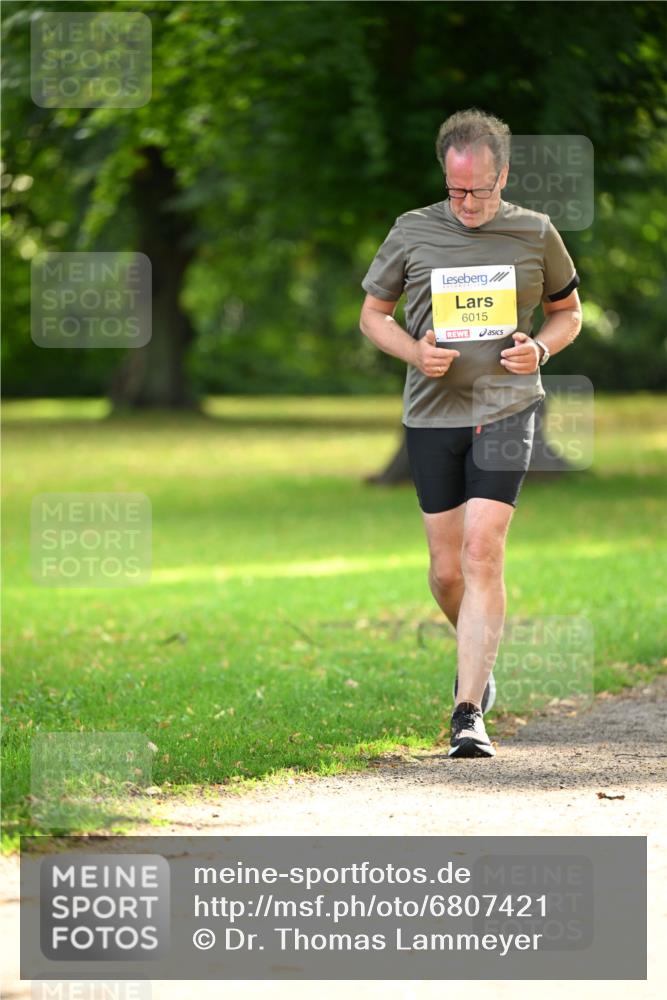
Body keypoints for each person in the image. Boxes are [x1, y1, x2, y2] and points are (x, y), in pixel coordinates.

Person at [359, 108, 582, 758]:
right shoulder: (413, 231)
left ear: (502, 175)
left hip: (508, 407)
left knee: (483, 552)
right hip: (431, 414)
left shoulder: (534, 233)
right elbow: (373, 315)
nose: (465, 203)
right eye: (454, 190)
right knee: (445, 571)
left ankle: (466, 708)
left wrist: (538, 350)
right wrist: (412, 352)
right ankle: (479, 656)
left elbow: (566, 312)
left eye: (477, 191)